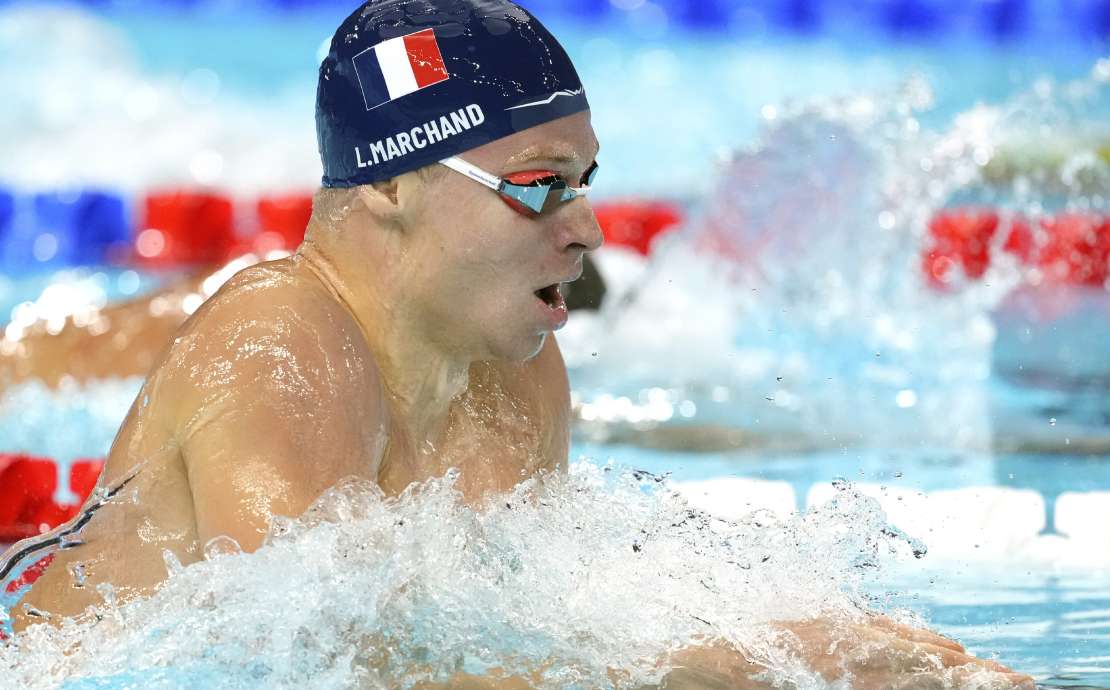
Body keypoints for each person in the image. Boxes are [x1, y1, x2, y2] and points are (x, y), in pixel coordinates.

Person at [1, 1, 1033, 687]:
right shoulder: (279, 342)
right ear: (392, 189)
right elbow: (316, 662)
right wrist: (706, 667)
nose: (585, 229)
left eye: (585, 181)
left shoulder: (513, 375)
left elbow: (502, 636)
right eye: (540, 185)